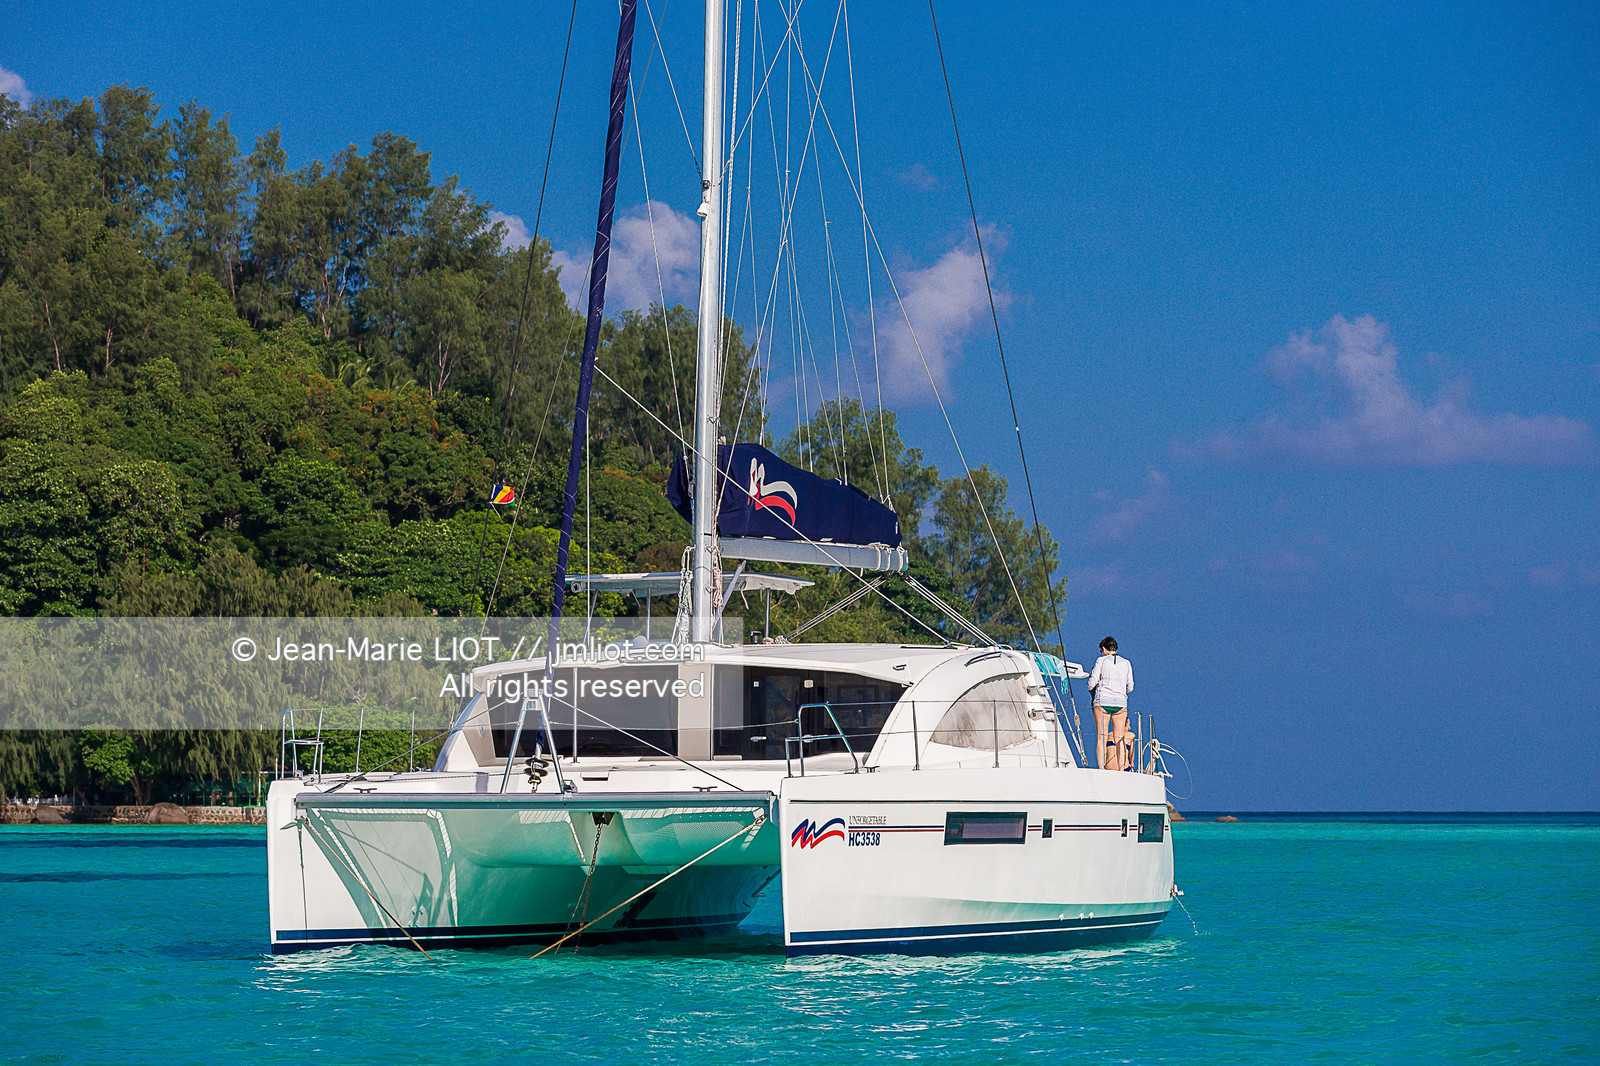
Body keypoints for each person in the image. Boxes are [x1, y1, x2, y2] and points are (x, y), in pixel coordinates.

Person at [1087, 637, 1134, 770]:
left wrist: (1090, 686)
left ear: (1104, 649)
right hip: (1120, 702)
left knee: (1101, 736)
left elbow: (1092, 682)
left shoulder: (1101, 660)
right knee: (1119, 738)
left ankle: (1101, 768)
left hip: (1102, 700)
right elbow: (1130, 687)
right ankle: (1121, 768)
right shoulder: (1126, 663)